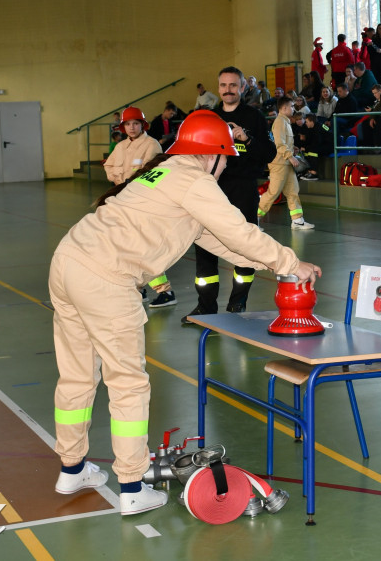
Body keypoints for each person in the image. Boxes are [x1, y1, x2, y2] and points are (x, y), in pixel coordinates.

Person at [50, 110, 321, 516]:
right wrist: (289, 262)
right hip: (106, 278)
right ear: (210, 153)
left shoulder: (166, 173)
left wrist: (278, 264)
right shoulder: (193, 179)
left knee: (76, 376)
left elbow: (220, 241)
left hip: (69, 260)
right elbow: (239, 230)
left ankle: (72, 468)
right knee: (128, 384)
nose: (227, 163)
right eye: (226, 155)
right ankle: (132, 485)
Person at [185, 67, 276, 319]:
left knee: (245, 244)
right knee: (204, 246)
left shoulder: (254, 117)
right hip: (210, 189)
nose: (228, 90)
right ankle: (206, 306)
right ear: (218, 87)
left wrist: (246, 139)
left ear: (243, 87)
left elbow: (270, 154)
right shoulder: (208, 117)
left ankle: (238, 303)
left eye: (233, 85)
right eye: (223, 85)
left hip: (243, 188)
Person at [104, 107, 177, 308]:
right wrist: (120, 179)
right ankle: (139, 290)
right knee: (128, 247)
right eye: (128, 124)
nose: (132, 127)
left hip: (143, 203)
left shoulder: (151, 144)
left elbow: (150, 173)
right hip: (124, 202)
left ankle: (166, 292)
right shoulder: (120, 147)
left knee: (144, 248)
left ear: (142, 125)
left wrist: (128, 182)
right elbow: (109, 167)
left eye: (135, 123)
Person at [258, 96, 315, 230]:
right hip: (279, 164)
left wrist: (292, 149)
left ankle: (297, 221)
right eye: (291, 106)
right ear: (284, 108)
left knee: (293, 191)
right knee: (273, 193)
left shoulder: (285, 122)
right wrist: (291, 156)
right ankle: (253, 219)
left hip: (285, 163)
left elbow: (284, 142)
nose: (293, 109)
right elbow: (279, 143)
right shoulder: (280, 122)